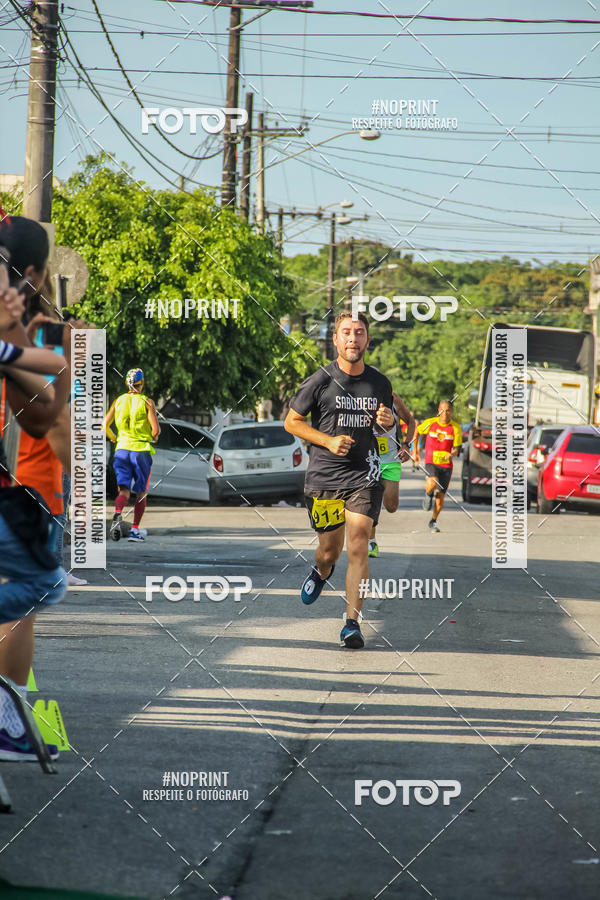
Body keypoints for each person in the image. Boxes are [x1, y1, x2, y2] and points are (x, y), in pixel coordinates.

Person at [284, 311, 394, 649]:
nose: (353, 338)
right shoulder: (319, 380)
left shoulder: (380, 383)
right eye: (346, 332)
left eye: (359, 333)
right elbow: (292, 422)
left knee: (359, 542)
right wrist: (328, 441)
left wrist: (388, 423)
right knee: (329, 551)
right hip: (325, 477)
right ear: (335, 339)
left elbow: (385, 431)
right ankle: (321, 571)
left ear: (367, 340)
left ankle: (351, 623)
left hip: (365, 475)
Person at [0, 216, 68, 761]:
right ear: (37, 274)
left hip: (23, 480)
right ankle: (13, 716)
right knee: (28, 595)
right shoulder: (46, 331)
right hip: (29, 485)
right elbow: (54, 425)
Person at [103, 368, 160, 542]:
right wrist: (154, 437)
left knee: (124, 490)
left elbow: (104, 425)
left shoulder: (118, 401)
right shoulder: (146, 402)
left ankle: (118, 513)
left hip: (121, 450)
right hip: (141, 452)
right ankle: (135, 530)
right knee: (141, 492)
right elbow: (155, 430)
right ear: (141, 384)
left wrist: (113, 439)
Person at [368, 391, 415, 558]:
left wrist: (406, 445)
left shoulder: (393, 399)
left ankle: (377, 502)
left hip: (391, 460)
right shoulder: (360, 398)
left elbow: (411, 421)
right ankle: (371, 542)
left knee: (391, 507)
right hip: (368, 460)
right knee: (370, 503)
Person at [416, 399, 462, 533]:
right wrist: (415, 450)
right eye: (442, 410)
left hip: (446, 466)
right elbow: (417, 431)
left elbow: (456, 449)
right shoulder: (430, 423)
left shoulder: (455, 428)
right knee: (432, 482)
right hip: (431, 461)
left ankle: (433, 521)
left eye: (448, 410)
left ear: (452, 412)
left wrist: (451, 454)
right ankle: (428, 494)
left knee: (440, 500)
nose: (445, 413)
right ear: (438, 410)